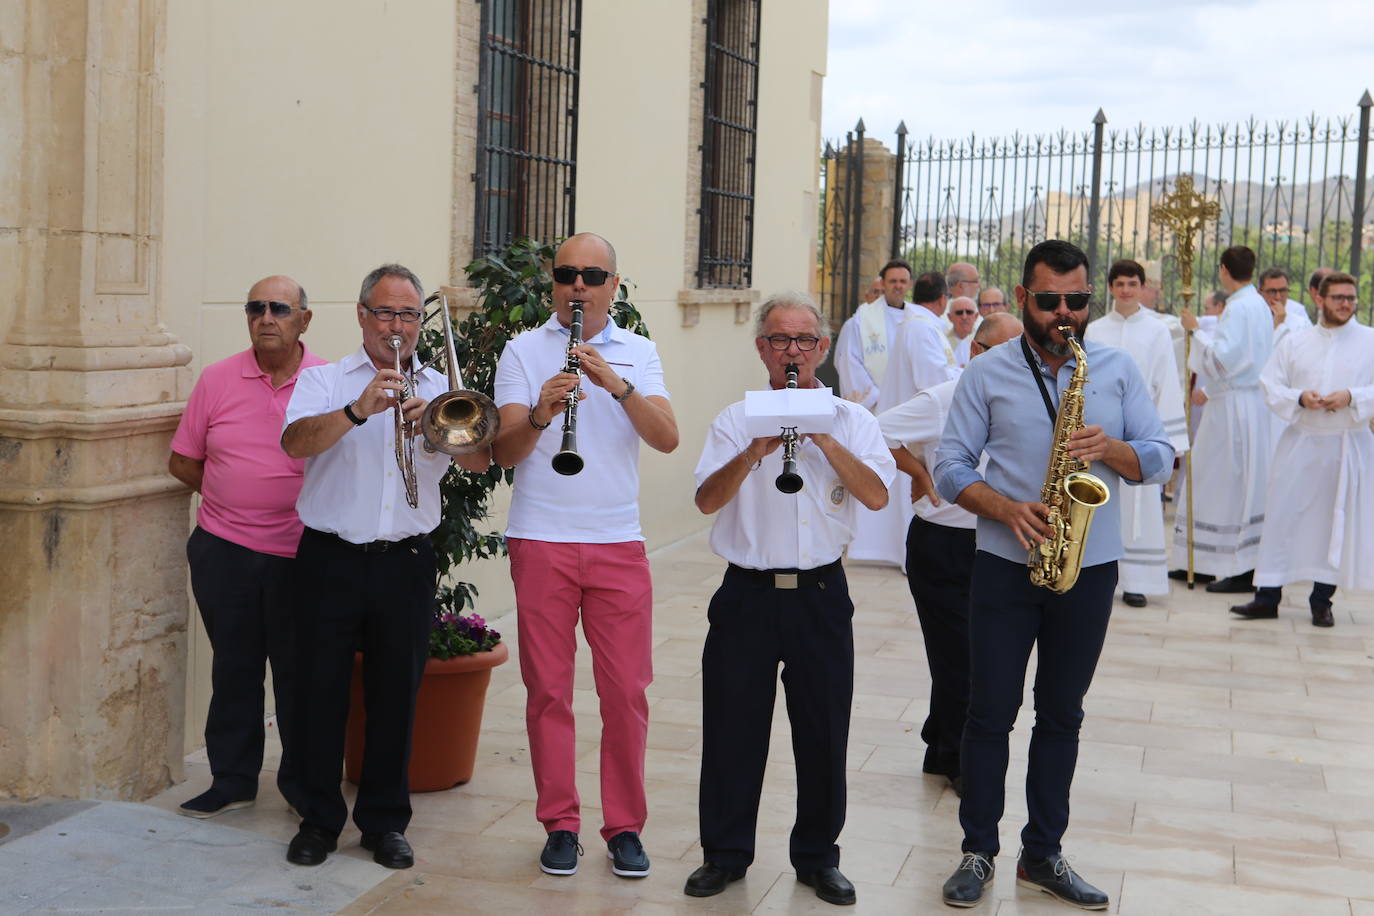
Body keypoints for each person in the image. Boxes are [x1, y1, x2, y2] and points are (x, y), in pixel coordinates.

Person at [934, 240, 1172, 910]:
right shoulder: (986, 373)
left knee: (1062, 714)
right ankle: (977, 850)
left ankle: (1043, 854)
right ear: (1022, 300)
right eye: (1049, 301)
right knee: (989, 713)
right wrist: (1004, 507)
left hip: (1088, 569)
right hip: (1006, 563)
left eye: (1076, 300)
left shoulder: (1117, 369)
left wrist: (1115, 449)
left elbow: (1159, 456)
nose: (1064, 312)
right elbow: (950, 465)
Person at [280, 264, 493, 869]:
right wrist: (356, 411)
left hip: (405, 561)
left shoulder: (442, 388)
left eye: (407, 314)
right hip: (329, 559)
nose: (396, 327)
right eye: (385, 313)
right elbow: (294, 444)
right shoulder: (325, 380)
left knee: (396, 696)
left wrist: (432, 427)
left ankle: (383, 824)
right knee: (318, 695)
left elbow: (479, 465)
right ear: (361, 315)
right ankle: (318, 820)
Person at [686, 291, 894, 906]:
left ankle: (817, 858)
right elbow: (705, 501)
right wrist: (755, 450)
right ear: (762, 351)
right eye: (780, 341)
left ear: (823, 349)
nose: (793, 352)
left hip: (821, 596)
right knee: (731, 731)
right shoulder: (733, 419)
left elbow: (879, 497)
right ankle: (724, 855)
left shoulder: (853, 420)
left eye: (804, 341)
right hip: (746, 597)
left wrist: (824, 439)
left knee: (823, 733)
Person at [491, 232, 678, 879]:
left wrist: (618, 385)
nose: (578, 285)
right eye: (567, 273)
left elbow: (667, 437)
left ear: (613, 287)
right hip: (541, 536)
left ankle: (625, 826)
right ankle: (561, 824)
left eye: (592, 275)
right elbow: (502, 453)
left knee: (626, 691)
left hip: (617, 541)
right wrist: (541, 413)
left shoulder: (639, 351)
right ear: (554, 283)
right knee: (548, 692)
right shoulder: (522, 350)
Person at [168, 275, 324, 818]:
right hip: (223, 549)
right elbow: (183, 459)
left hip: (302, 555)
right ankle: (232, 779)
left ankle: (303, 788)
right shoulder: (216, 379)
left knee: (298, 676)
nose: (266, 317)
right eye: (256, 308)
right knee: (233, 668)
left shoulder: (327, 382)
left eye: (279, 308)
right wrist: (234, 501)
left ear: (304, 319)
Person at [876, 312, 1022, 797]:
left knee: (971, 655)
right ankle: (961, 761)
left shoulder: (1019, 399)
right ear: (976, 352)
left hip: (994, 545)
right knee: (961, 658)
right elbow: (876, 430)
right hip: (943, 547)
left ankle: (940, 747)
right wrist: (919, 474)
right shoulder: (943, 397)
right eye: (1006, 350)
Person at [1230, 272, 1374, 627]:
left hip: (1345, 446)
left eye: (1351, 298)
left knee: (1332, 523)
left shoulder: (1369, 340)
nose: (1346, 304)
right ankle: (1267, 597)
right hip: (1301, 443)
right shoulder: (1297, 342)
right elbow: (1269, 383)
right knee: (1283, 517)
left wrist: (1352, 396)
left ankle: (1321, 600)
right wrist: (1299, 397)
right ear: (1319, 300)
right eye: (1338, 297)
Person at [1085, 260, 1188, 607]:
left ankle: (1136, 581)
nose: (1126, 290)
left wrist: (1170, 440)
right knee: (1101, 502)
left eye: (1132, 283)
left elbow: (1168, 381)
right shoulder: (1095, 329)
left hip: (1141, 429)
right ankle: (1098, 573)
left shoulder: (1157, 330)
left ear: (1142, 287)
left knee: (1140, 508)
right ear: (1111, 287)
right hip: (1102, 429)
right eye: (1120, 283)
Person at [1172, 246, 1276, 592]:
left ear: (1223, 270)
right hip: (1241, 403)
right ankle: (1202, 561)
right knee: (1214, 481)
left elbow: (1222, 360)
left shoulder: (1238, 307)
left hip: (1233, 408)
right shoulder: (1258, 304)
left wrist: (1195, 331)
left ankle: (1240, 569)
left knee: (1226, 484)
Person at [850, 271, 957, 568]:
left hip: (910, 422)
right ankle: (908, 555)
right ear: (942, 299)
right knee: (915, 492)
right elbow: (933, 381)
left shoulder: (918, 325)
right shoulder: (922, 329)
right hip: (914, 425)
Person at [833, 260, 913, 411]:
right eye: (893, 281)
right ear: (883, 283)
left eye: (903, 281)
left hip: (910, 405)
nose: (898, 286)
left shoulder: (917, 318)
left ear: (910, 285)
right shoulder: (860, 321)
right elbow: (849, 362)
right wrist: (878, 399)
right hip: (876, 406)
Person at [1258, 267, 1310, 346]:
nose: (1278, 297)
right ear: (1260, 293)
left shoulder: (1301, 324)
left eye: (1282, 290)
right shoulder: (1251, 321)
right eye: (1272, 291)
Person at [946, 296, 981, 369]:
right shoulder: (942, 340)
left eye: (969, 312)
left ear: (976, 316)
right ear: (950, 317)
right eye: (959, 313)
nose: (964, 317)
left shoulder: (982, 340)